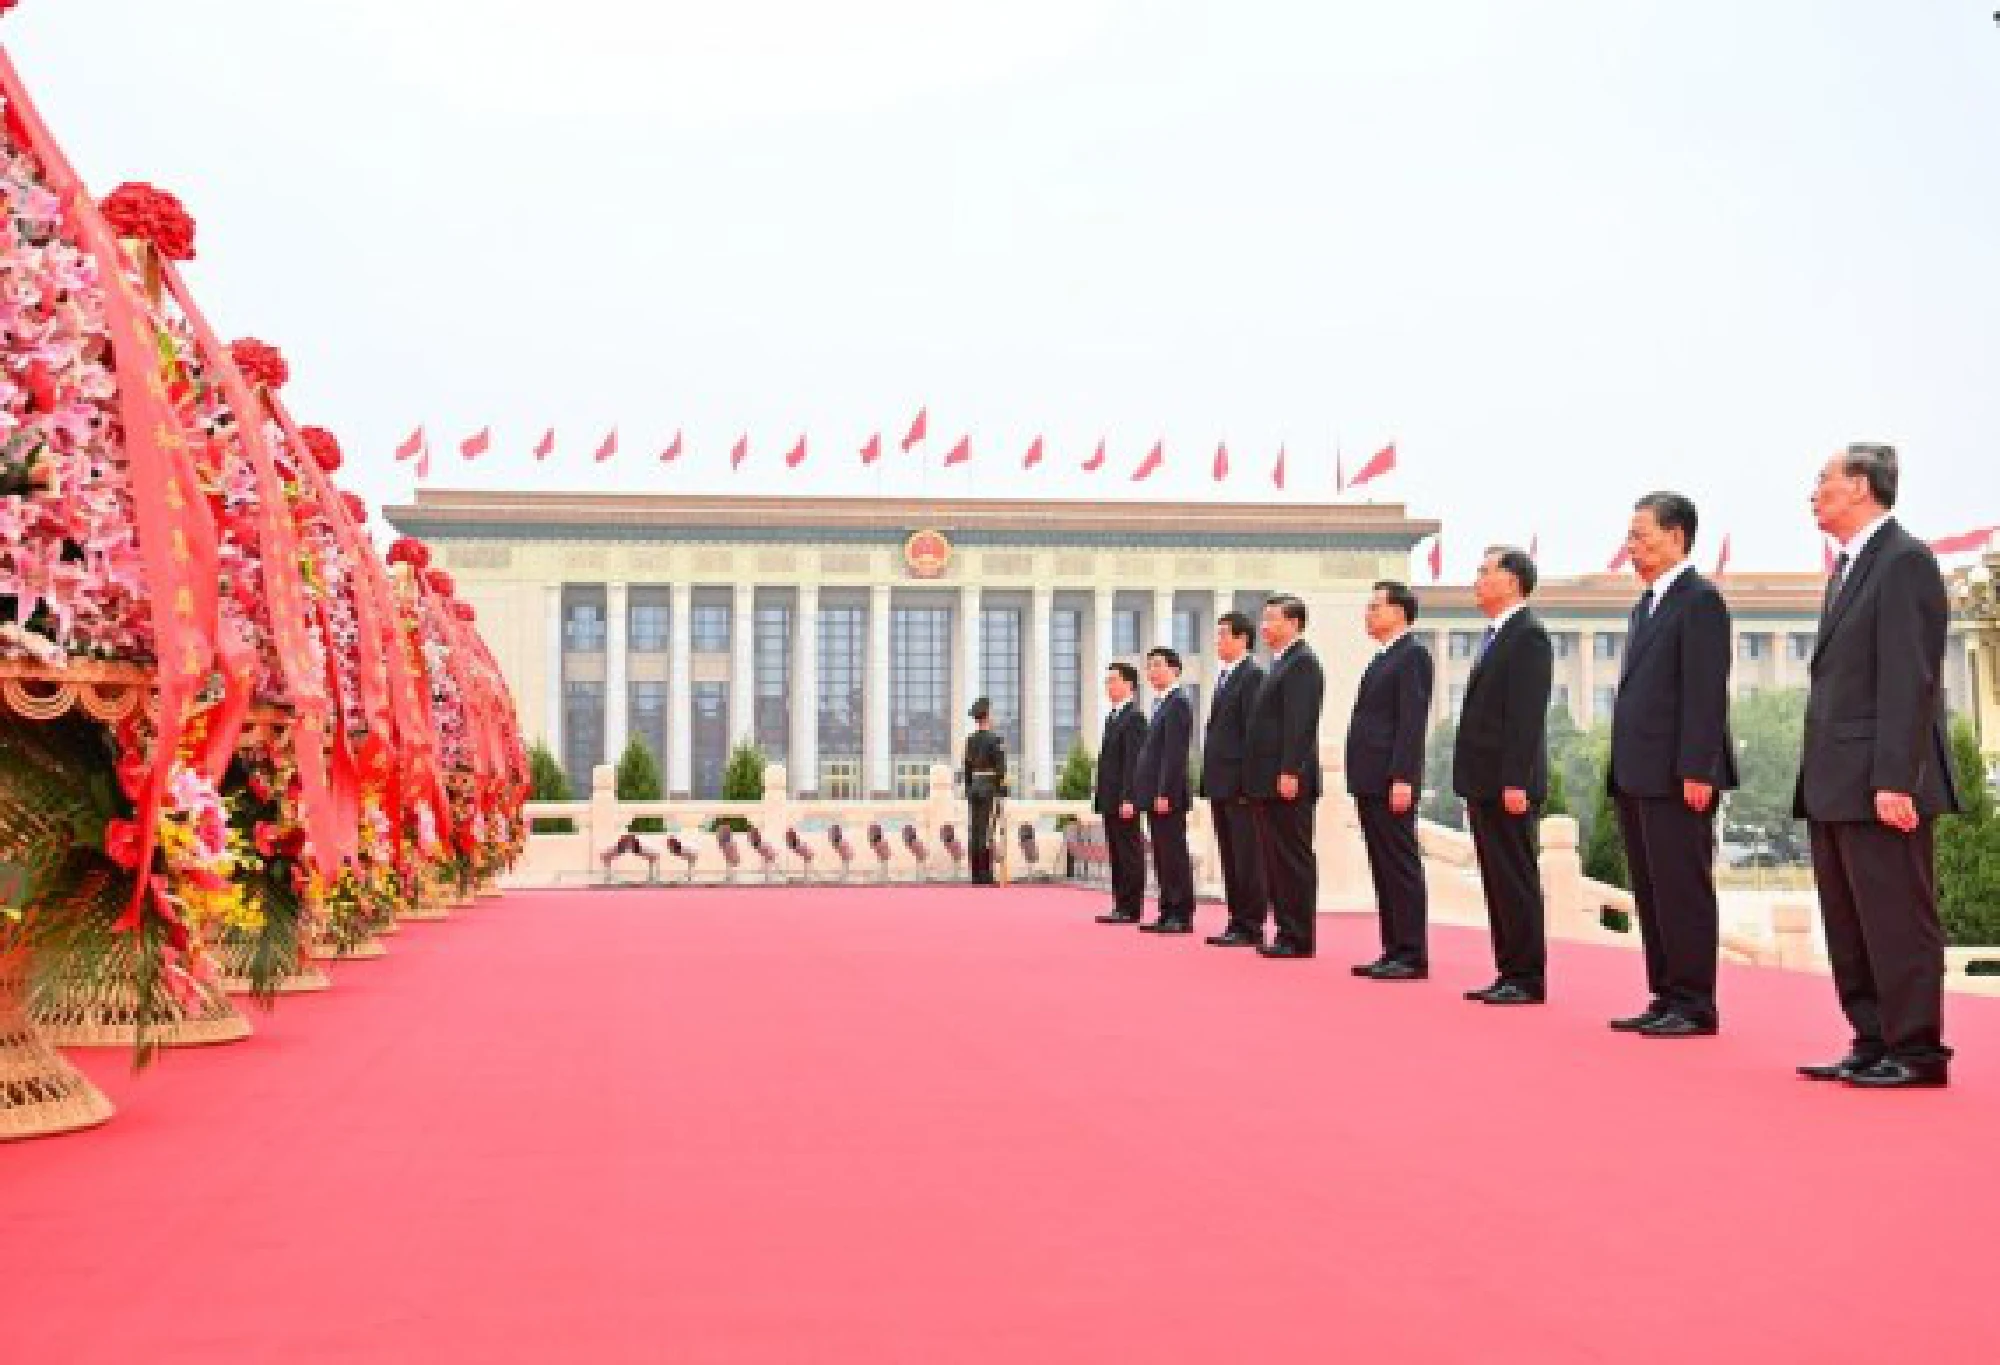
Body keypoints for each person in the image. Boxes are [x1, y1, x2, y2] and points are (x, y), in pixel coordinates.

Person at [1795, 443, 1961, 1089]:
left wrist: (1896, 776)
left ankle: (1917, 1050)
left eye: (1823, 480)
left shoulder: (1904, 561)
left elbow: (1909, 677)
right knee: (1851, 920)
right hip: (1836, 779)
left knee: (1896, 917)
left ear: (1860, 485)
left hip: (1882, 780)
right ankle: (1871, 1039)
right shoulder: (1847, 568)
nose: (1813, 493)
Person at [1607, 492, 1738, 1037]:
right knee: (1652, 889)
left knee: (1683, 887)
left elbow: (1704, 693)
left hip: (1679, 775)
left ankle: (1693, 1002)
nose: (1631, 546)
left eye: (1641, 535)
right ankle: (1664, 993)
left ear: (1677, 537)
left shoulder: (1700, 600)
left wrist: (1698, 769)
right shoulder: (1646, 605)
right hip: (1639, 772)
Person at [1454, 546, 1554, 1005]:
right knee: (1496, 879)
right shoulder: (1497, 635)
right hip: (1484, 780)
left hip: (1508, 783)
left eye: (1484, 571)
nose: (1476, 580)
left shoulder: (1528, 636)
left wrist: (1515, 779)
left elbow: (1525, 716)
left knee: (1514, 877)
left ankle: (1527, 976)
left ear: (1512, 582)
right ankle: (1508, 970)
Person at [1345, 581, 1434, 981]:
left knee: (1399, 865)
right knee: (1382, 865)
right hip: (1369, 778)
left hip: (1390, 779)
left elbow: (1411, 722)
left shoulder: (1412, 655)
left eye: (1375, 607)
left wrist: (1403, 776)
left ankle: (1411, 953)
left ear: (1399, 613)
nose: (1368, 613)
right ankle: (1392, 947)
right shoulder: (1381, 658)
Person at [1244, 594, 1325, 959]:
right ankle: (1285, 931)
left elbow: (1300, 724)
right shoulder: (1279, 663)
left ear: (1293, 624)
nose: (1264, 626)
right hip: (1267, 782)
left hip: (1287, 781)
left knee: (1292, 859)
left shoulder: (1303, 664)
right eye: (1263, 618)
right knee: (1276, 859)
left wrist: (1290, 770)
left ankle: (1298, 935)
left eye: (1272, 619)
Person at [1200, 610, 1269, 948]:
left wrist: (1247, 783)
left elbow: (1253, 735)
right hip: (1220, 783)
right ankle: (1236, 920)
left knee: (1247, 856)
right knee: (1230, 855)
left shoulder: (1251, 675)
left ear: (1243, 638)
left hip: (1240, 785)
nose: (1218, 641)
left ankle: (1251, 924)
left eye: (1224, 634)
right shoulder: (1226, 676)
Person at [1133, 646, 1196, 934]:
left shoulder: (1178, 702)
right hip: (1154, 794)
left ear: (1175, 670)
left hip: (1167, 795)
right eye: (1149, 666)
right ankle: (1167, 910)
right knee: (1161, 854)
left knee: (1173, 854)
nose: (1152, 671)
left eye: (1158, 665)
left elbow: (1174, 754)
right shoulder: (1160, 703)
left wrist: (1165, 793)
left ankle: (1180, 913)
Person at [1093, 662, 1150, 925]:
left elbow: (1134, 763)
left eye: (1113, 680)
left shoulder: (1135, 718)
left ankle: (1131, 907)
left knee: (1128, 852)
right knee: (1115, 851)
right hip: (1109, 796)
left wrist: (1130, 797)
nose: (1109, 685)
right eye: (1107, 681)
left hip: (1124, 799)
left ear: (1129, 685)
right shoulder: (1112, 717)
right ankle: (1119, 904)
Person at [962, 697, 1007, 886]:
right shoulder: (995, 740)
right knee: (987, 831)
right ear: (987, 716)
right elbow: (1000, 768)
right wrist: (1003, 789)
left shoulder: (970, 740)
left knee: (975, 831)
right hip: (989, 787)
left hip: (974, 788)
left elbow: (966, 768)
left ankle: (975, 875)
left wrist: (968, 788)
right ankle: (986, 875)